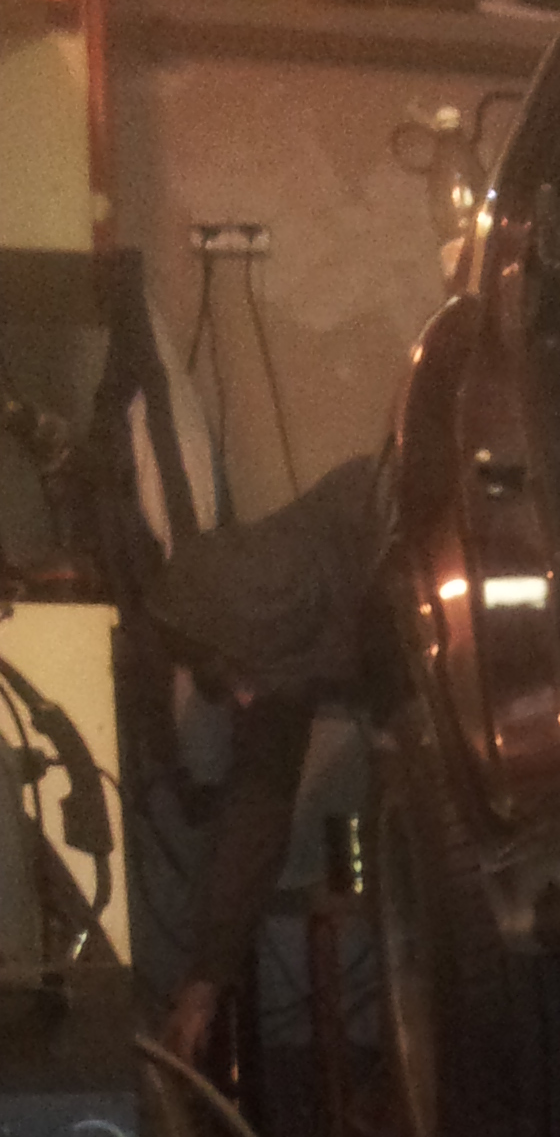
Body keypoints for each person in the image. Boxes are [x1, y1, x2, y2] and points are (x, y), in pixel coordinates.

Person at [143, 453, 389, 1065]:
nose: (246, 699)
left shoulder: (375, 515)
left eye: (242, 677)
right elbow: (259, 804)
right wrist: (205, 981)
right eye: (230, 684)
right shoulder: (269, 634)